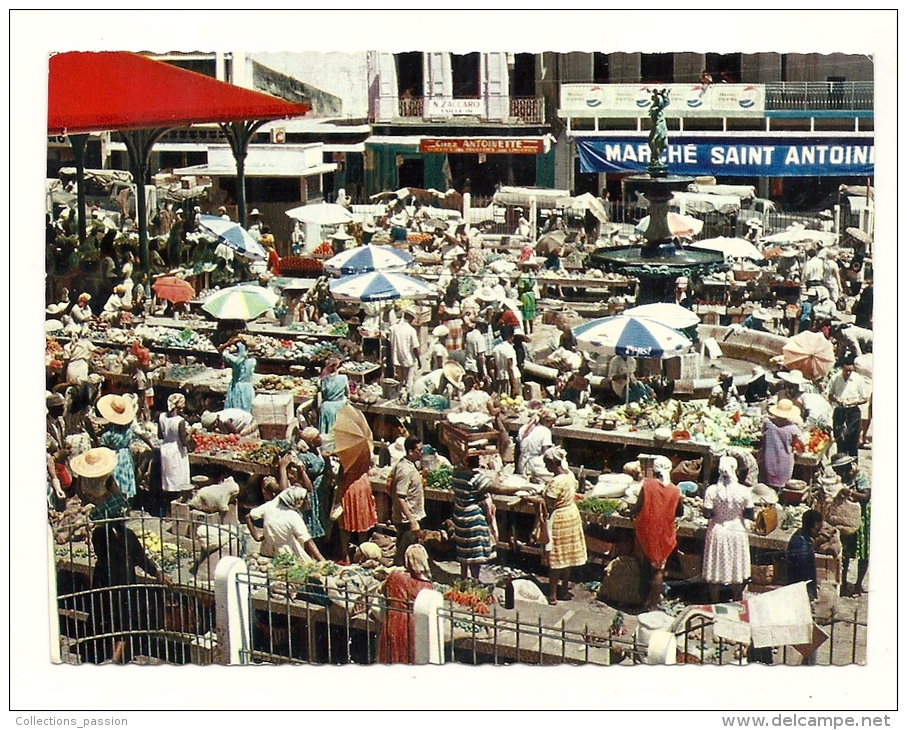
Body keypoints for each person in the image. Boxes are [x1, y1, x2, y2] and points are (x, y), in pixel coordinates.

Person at [84, 486, 171, 663]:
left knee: (108, 619)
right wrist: (157, 573)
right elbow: (141, 558)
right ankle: (115, 658)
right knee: (122, 621)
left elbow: (106, 553)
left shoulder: (99, 535)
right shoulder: (126, 535)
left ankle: (112, 656)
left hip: (104, 580)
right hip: (122, 581)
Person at [630, 455, 683, 610]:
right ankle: (653, 604)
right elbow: (679, 512)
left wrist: (629, 513)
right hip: (663, 533)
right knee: (658, 568)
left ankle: (644, 598)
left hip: (646, 531)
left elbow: (638, 506)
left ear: (654, 470)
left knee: (646, 564)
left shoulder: (647, 485)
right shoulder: (675, 490)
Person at [701, 455, 755, 603]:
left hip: (718, 530)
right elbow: (750, 514)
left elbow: (706, 513)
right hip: (736, 530)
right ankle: (737, 598)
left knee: (715, 567)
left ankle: (714, 600)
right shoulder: (744, 491)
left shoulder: (712, 490)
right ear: (735, 471)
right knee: (736, 564)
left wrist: (718, 513)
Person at [538, 448, 587, 604]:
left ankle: (552, 594)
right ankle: (564, 590)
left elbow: (548, 502)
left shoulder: (556, 482)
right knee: (567, 557)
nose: (546, 467)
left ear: (553, 463)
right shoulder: (569, 475)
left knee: (556, 557)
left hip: (560, 518)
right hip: (572, 514)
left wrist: (529, 498)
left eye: (547, 464)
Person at [377, 544, 434, 664]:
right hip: (411, 623)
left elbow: (382, 589)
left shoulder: (394, 576)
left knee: (389, 656)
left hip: (392, 620)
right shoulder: (426, 586)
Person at [451, 454, 497, 582]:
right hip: (473, 517)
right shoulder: (476, 478)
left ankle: (464, 578)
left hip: (460, 515)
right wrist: (520, 488)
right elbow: (497, 489)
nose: (478, 460)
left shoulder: (457, 473)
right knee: (474, 552)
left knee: (463, 549)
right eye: (476, 459)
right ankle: (475, 580)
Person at [97, 394, 152, 503]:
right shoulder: (128, 427)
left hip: (113, 456)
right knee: (125, 478)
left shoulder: (108, 432)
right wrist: (152, 446)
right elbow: (141, 434)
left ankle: (116, 503)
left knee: (115, 480)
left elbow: (102, 446)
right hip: (125, 456)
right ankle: (126, 503)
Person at [247, 486, 325, 562]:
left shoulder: (269, 506)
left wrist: (256, 537)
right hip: (286, 553)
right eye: (300, 499)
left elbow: (248, 517)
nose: (301, 502)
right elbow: (307, 540)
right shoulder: (293, 516)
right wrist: (322, 559)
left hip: (267, 550)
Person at [829, 454, 870, 597]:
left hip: (862, 517)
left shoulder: (861, 476)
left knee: (862, 552)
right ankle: (844, 582)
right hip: (847, 518)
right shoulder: (842, 477)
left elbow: (866, 496)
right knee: (845, 552)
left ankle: (858, 586)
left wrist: (852, 493)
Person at [825, 354, 870, 460]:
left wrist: (853, 402)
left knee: (852, 441)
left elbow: (865, 398)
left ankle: (853, 468)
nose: (848, 373)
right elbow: (829, 395)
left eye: (850, 371)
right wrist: (837, 399)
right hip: (840, 412)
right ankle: (841, 467)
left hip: (853, 412)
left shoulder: (858, 379)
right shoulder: (835, 378)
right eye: (846, 370)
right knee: (840, 440)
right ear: (842, 368)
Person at [390, 437, 425, 567]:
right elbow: (400, 496)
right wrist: (412, 520)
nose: (421, 453)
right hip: (407, 520)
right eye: (419, 450)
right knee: (403, 555)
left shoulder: (412, 465)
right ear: (410, 452)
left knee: (408, 554)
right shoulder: (404, 470)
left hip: (413, 515)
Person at [336, 459, 378, 565]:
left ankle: (345, 556)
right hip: (363, 484)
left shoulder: (348, 454)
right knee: (363, 523)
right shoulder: (365, 452)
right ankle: (363, 553)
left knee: (345, 524)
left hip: (350, 486)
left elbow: (340, 475)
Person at [293, 427, 331, 543]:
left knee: (323, 514)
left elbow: (325, 469)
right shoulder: (304, 457)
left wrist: (327, 460)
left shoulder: (318, 451)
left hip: (322, 490)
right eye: (317, 437)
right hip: (312, 490)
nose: (320, 439)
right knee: (313, 517)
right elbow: (302, 476)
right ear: (311, 441)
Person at [757, 398, 804, 490]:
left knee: (766, 487)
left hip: (767, 460)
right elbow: (801, 444)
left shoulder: (767, 423)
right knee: (781, 488)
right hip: (784, 463)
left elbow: (762, 434)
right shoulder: (792, 428)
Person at [158, 393, 193, 506]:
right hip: (176, 451)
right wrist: (192, 431)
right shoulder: (180, 421)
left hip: (165, 449)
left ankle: (167, 508)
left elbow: (160, 435)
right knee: (179, 479)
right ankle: (176, 507)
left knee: (168, 479)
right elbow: (184, 442)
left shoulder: (162, 417)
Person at [786, 509, 824, 601]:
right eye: (818, 529)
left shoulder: (800, 535)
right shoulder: (802, 549)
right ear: (811, 529)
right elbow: (804, 580)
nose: (820, 532)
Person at [317, 355, 350, 446]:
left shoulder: (322, 380)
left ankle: (325, 448)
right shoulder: (343, 378)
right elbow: (348, 394)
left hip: (326, 407)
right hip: (338, 407)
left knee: (325, 433)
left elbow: (320, 398)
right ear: (337, 367)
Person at [516, 409, 556, 480]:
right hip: (536, 465)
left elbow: (518, 449)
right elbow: (546, 452)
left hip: (522, 463)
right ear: (546, 421)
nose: (552, 426)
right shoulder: (545, 431)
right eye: (551, 423)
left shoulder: (524, 428)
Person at [221, 339, 256, 412]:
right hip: (248, 387)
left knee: (236, 407)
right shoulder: (252, 361)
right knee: (247, 407)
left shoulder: (236, 362)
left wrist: (226, 349)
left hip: (237, 387)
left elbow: (225, 355)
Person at [390, 310, 421, 393]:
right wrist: (419, 360)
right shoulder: (411, 330)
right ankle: (407, 396)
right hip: (408, 359)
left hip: (396, 358)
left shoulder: (394, 328)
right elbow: (415, 347)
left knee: (399, 380)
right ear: (410, 318)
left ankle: (397, 395)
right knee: (409, 382)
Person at [492, 325, 520, 397]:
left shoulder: (496, 349)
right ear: (511, 336)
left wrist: (495, 382)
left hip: (500, 378)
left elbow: (494, 366)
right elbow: (510, 367)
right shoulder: (509, 348)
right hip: (512, 378)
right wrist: (514, 386)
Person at [464, 318, 489, 383]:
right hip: (475, 368)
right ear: (481, 326)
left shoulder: (468, 335)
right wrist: (483, 373)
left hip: (467, 365)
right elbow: (480, 357)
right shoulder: (480, 337)